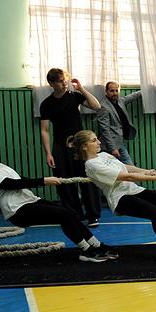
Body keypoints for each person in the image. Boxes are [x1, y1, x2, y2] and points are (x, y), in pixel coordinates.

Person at [0, 136, 118, 263]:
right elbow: (9, 184)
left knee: (70, 213)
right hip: (17, 211)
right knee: (63, 215)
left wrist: (46, 180)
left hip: (31, 201)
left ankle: (97, 245)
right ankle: (86, 250)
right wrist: (43, 181)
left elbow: (20, 180)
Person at [70, 130, 156, 266]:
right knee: (155, 213)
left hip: (133, 190)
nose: (99, 142)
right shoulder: (91, 165)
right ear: (84, 146)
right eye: (94, 140)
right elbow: (125, 176)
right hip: (119, 198)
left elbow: (126, 168)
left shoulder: (104, 155)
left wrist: (146, 171)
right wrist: (152, 178)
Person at [39, 68, 102, 227]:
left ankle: (93, 215)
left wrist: (81, 88)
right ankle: (74, 214)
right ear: (51, 83)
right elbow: (44, 130)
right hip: (60, 145)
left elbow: (96, 106)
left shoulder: (74, 97)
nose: (64, 83)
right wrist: (48, 153)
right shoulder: (46, 104)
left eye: (65, 80)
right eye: (60, 81)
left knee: (87, 178)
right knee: (65, 181)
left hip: (80, 144)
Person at [97, 81, 142, 166]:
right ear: (106, 92)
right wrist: (112, 148)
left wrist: (145, 90)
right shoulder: (103, 107)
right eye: (111, 91)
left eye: (116, 90)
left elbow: (132, 96)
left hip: (120, 143)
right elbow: (105, 130)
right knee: (126, 168)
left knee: (128, 168)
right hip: (109, 146)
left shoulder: (120, 101)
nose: (115, 93)